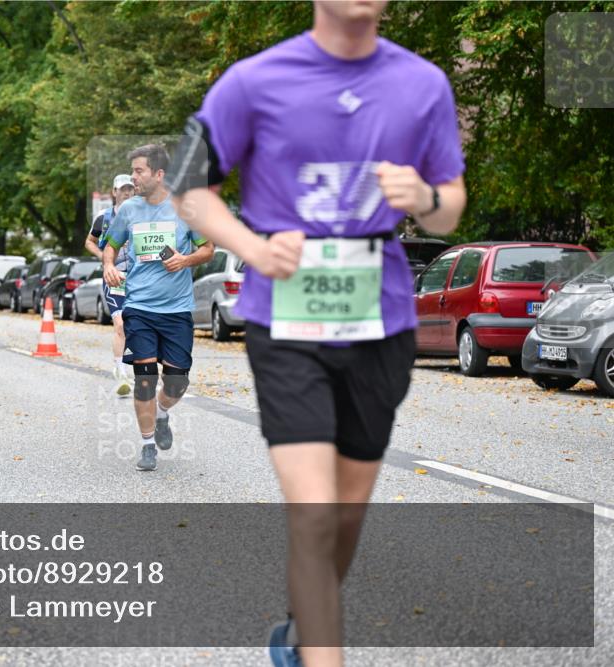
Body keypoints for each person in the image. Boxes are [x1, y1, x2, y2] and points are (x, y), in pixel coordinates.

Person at [167, 2, 467, 665]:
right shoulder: (253, 80)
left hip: (381, 321)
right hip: (289, 321)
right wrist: (252, 245)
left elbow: (451, 205)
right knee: (314, 509)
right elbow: (190, 188)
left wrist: (424, 199)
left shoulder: (424, 84)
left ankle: (304, 629)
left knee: (347, 512)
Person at [102, 144, 213, 472]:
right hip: (139, 306)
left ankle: (162, 413)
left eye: (139, 171)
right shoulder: (128, 210)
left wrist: (186, 259)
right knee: (146, 379)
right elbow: (110, 245)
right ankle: (148, 443)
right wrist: (109, 266)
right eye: (133, 170)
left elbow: (208, 249)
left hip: (177, 309)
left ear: (159, 174)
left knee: (177, 382)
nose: (133, 176)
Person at [85, 174, 136, 397]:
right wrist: (104, 258)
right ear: (114, 192)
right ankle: (121, 371)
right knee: (120, 324)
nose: (126, 193)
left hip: (138, 278)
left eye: (130, 189)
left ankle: (143, 368)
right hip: (114, 277)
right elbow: (89, 241)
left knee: (139, 323)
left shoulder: (141, 215)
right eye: (122, 189)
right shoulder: (103, 218)